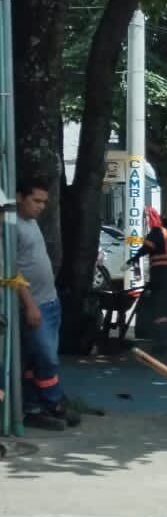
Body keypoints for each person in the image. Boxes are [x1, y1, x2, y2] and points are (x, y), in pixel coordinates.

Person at [15, 175, 77, 431]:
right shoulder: (10, 226)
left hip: (50, 302)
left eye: (44, 202)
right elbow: (9, 270)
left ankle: (35, 407)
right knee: (46, 358)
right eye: (36, 200)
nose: (41, 206)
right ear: (19, 197)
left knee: (36, 360)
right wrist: (29, 304)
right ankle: (53, 403)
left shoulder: (31, 222)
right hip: (34, 305)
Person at [133, 207, 167, 352]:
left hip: (161, 278)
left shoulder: (158, 233)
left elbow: (146, 248)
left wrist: (135, 257)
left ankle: (160, 343)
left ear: (164, 221)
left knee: (160, 311)